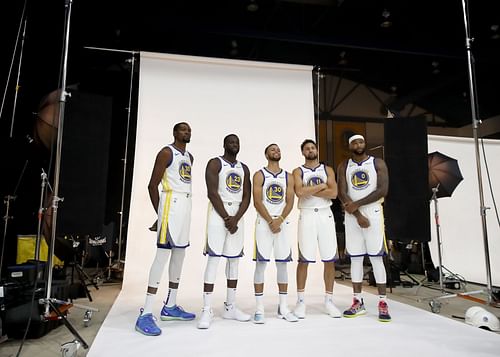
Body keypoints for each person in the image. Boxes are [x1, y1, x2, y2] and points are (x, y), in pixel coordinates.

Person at [135, 122, 196, 336]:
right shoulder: (166, 152)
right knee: (162, 257)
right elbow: (152, 185)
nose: (187, 132)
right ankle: (146, 313)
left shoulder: (189, 157)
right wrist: (159, 215)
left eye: (189, 130)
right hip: (170, 206)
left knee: (180, 255)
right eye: (183, 129)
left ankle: (170, 306)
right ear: (174, 133)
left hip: (185, 208)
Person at [197, 134, 252, 329]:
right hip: (218, 214)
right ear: (224, 145)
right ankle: (206, 309)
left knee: (234, 260)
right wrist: (227, 218)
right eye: (231, 142)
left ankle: (230, 306)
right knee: (213, 259)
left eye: (237, 142)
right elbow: (211, 193)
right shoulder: (215, 163)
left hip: (237, 215)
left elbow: (247, 196)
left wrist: (235, 218)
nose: (234, 144)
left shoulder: (243, 168)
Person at [337, 134, 391, 322]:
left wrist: (358, 205)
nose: (358, 144)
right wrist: (357, 214)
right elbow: (342, 192)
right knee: (356, 259)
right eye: (354, 142)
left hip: (373, 212)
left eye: (361, 141)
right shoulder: (344, 165)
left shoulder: (377, 163)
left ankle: (383, 302)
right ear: (349, 145)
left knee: (376, 257)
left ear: (365, 144)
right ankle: (357, 301)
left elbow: (382, 190)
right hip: (352, 215)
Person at [293, 139, 341, 319]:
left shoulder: (327, 169)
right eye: (307, 148)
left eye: (313, 147)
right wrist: (322, 186)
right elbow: (299, 192)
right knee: (304, 259)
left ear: (317, 150)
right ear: (302, 152)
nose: (310, 150)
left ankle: (329, 300)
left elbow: (334, 194)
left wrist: (310, 189)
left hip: (325, 214)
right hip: (306, 214)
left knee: (329, 259)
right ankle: (300, 301)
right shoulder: (298, 171)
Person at [252, 144, 298, 324]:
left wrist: (279, 219)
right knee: (261, 264)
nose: (276, 151)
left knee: (282, 265)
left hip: (282, 223)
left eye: (278, 149)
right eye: (272, 149)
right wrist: (271, 221)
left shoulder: (288, 176)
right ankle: (259, 308)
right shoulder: (259, 174)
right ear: (266, 154)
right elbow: (257, 201)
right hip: (264, 223)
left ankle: (283, 307)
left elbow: (290, 201)